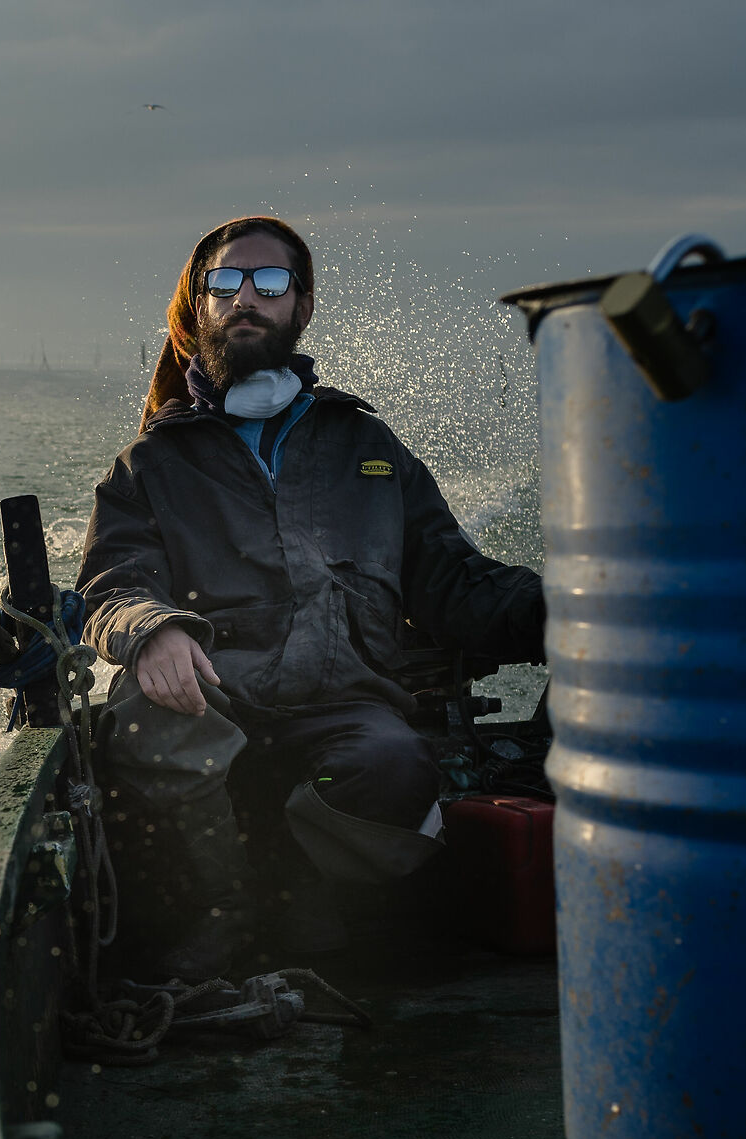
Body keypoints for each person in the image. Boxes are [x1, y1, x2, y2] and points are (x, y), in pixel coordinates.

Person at [76, 215, 544, 978]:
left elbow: (457, 583)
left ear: (304, 304)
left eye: (269, 281)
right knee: (151, 720)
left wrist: (581, 613)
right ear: (198, 308)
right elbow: (110, 582)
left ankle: (309, 902)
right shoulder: (152, 463)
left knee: (397, 761)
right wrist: (153, 630)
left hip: (341, 704)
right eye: (224, 283)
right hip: (216, 696)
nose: (245, 298)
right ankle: (216, 925)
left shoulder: (367, 448)